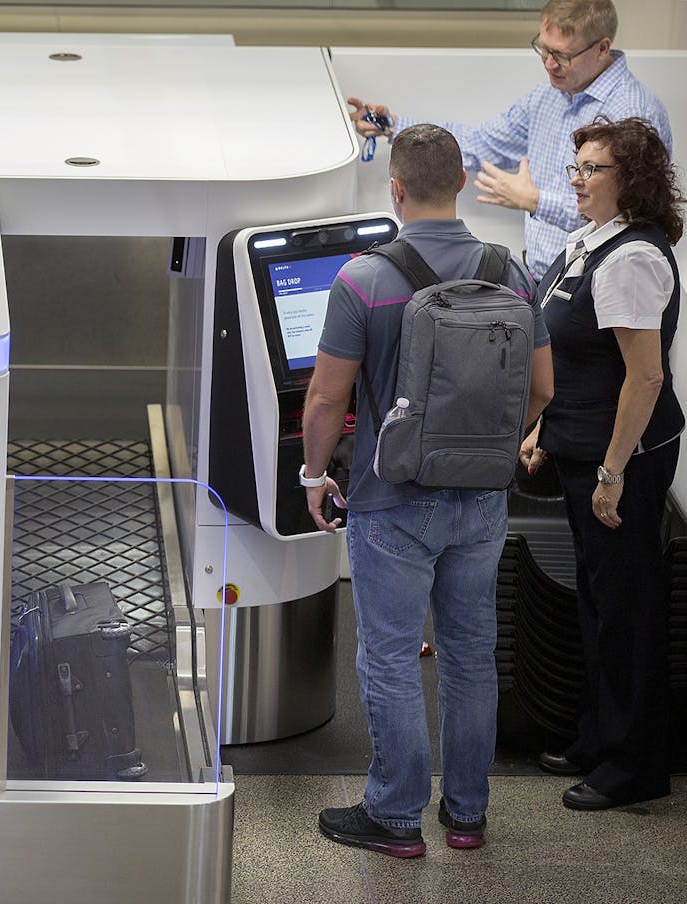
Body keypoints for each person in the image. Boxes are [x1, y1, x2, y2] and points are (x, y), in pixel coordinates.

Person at [301, 124, 554, 856]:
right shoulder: (511, 272)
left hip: (392, 500)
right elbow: (541, 389)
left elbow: (325, 399)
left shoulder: (363, 278)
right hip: (482, 501)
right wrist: (485, 449)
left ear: (397, 189)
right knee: (472, 654)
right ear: (464, 185)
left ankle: (394, 815)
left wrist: (315, 476)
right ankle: (467, 813)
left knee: (387, 655)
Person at [520, 116, 684, 811]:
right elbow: (575, 356)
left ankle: (634, 763)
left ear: (633, 181)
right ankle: (598, 734)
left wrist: (614, 473)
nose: (578, 181)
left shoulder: (632, 261)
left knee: (626, 610)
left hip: (623, 461)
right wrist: (543, 429)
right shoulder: (589, 243)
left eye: (593, 171)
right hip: (582, 445)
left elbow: (643, 379)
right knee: (596, 603)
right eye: (576, 168)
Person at [347, 0, 671, 280]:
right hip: (547, 277)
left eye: (561, 55)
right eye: (543, 48)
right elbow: (482, 141)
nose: (548, 63)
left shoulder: (633, 113)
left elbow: (630, 217)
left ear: (602, 48)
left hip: (603, 285)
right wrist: (393, 127)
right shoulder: (549, 97)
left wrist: (535, 202)